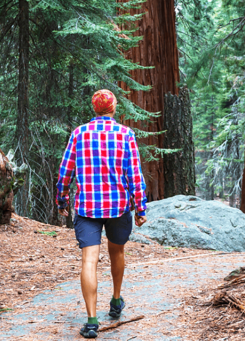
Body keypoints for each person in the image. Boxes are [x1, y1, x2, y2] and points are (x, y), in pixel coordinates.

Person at [55, 89, 147, 339]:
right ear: (113, 107)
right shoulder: (126, 134)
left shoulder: (79, 133)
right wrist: (141, 207)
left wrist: (61, 198)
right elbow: (134, 173)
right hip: (118, 207)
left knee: (89, 261)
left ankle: (92, 321)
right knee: (117, 251)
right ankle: (116, 300)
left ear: (94, 108)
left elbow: (66, 170)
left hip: (87, 208)